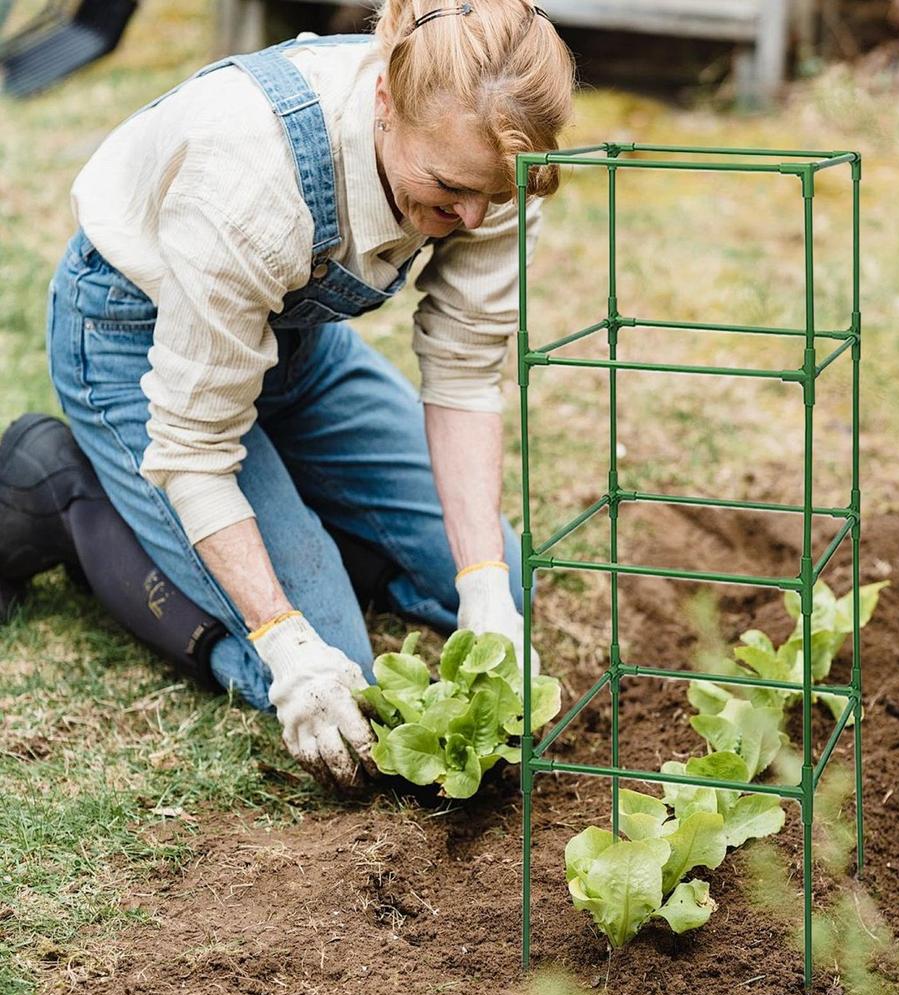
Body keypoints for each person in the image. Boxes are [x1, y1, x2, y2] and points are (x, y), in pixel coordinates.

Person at [0, 1, 576, 790]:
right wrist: (284, 639)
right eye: (448, 189)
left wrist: (480, 588)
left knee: (505, 581)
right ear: (384, 102)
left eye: (493, 196)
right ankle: (60, 494)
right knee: (332, 674)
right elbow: (197, 447)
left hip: (291, 349)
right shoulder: (249, 173)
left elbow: (466, 370)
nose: (471, 218)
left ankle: (289, 495)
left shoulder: (501, 152)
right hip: (134, 341)